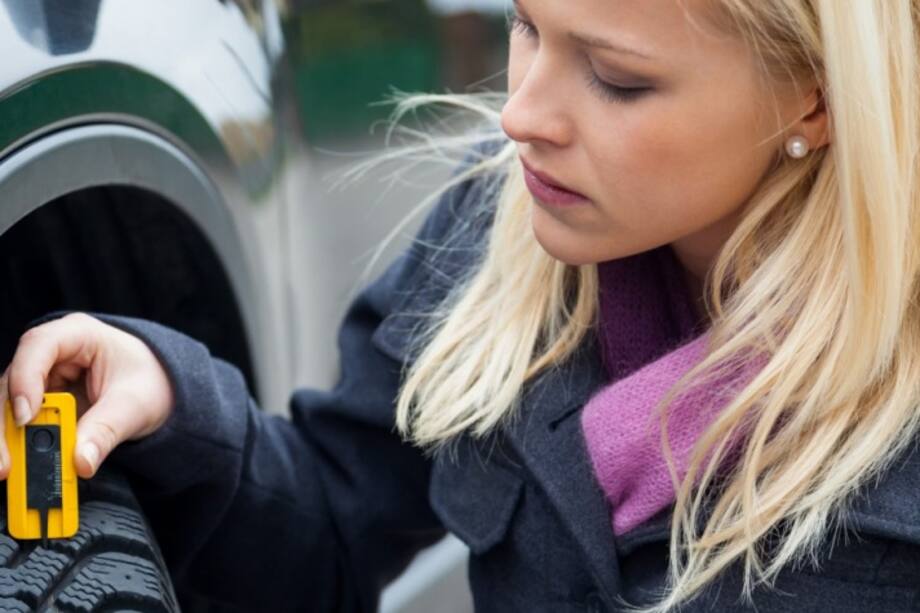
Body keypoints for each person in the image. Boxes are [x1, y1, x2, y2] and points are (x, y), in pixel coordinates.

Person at [4, 0, 920, 611]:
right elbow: (329, 526)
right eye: (526, 24)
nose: (521, 112)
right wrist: (174, 401)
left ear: (814, 98)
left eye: (616, 77)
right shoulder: (496, 231)